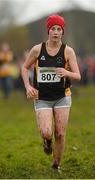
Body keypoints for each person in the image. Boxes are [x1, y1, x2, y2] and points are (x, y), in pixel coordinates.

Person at [21, 14, 81, 170]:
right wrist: (28, 87)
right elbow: (24, 67)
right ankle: (46, 141)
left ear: (62, 32)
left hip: (62, 96)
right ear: (48, 31)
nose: (56, 32)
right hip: (42, 97)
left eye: (59, 29)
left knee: (60, 133)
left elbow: (78, 75)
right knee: (47, 132)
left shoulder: (68, 51)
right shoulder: (37, 50)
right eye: (53, 29)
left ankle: (56, 164)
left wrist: (66, 73)